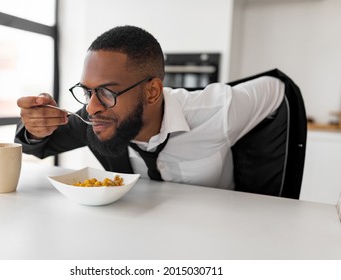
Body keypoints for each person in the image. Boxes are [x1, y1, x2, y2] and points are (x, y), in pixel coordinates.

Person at [15, 25, 284, 190]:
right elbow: (35, 146)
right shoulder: (97, 116)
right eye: (87, 91)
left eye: (107, 91)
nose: (93, 107)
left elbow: (274, 88)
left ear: (152, 91)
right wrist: (37, 126)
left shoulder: (219, 110)